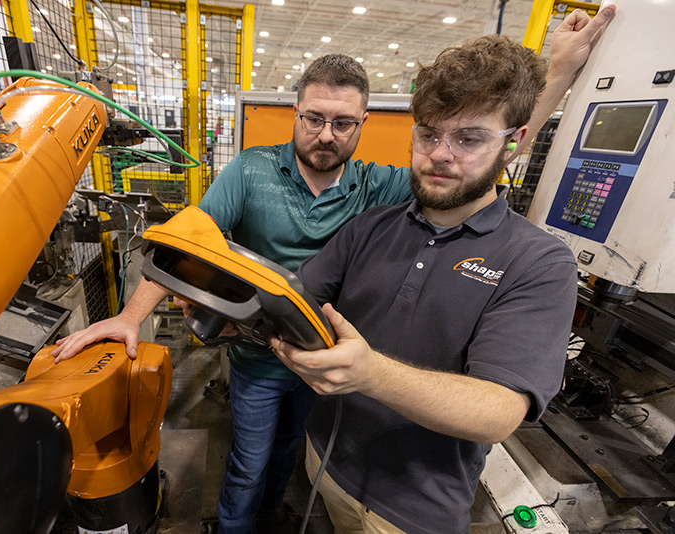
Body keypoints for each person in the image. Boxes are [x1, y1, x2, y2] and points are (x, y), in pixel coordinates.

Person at [51, 6, 614, 533]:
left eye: (342, 123)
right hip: (263, 355)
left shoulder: (385, 191)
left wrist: (554, 74)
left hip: (334, 380)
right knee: (247, 460)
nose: (326, 134)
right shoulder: (257, 173)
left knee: (287, 456)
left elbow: (478, 150)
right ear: (296, 115)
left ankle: (269, 516)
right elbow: (187, 236)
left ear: (362, 124)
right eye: (314, 119)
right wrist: (135, 318)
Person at [268, 6, 616, 534]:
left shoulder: (539, 261)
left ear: (515, 141)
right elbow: (294, 297)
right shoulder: (370, 227)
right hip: (326, 462)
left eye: (470, 138)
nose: (441, 155)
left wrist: (371, 374)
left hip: (417, 508)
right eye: (429, 134)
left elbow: (501, 410)